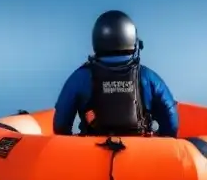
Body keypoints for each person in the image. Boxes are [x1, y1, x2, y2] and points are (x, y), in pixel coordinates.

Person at [53, 10, 179, 138]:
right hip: (141, 154)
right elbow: (171, 123)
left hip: (91, 153)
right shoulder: (148, 77)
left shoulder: (79, 77)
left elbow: (60, 125)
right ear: (132, 40)